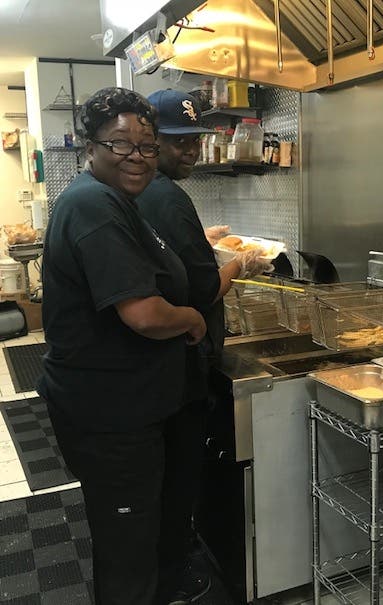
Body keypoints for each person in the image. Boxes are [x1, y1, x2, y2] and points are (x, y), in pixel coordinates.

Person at [36, 87, 208, 605]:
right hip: (110, 415)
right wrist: (191, 317)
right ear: (90, 146)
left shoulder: (111, 200)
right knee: (127, 555)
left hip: (121, 407)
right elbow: (144, 315)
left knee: (131, 542)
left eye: (147, 145)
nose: (136, 156)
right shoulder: (94, 205)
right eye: (120, 143)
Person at [135, 88, 272, 602]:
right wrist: (239, 264)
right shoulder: (167, 196)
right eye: (178, 141)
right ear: (152, 142)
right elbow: (202, 289)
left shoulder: (145, 191)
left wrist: (204, 241)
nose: (190, 149)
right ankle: (175, 573)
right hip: (179, 361)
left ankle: (167, 562)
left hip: (157, 368)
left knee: (168, 475)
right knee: (178, 477)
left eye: (194, 138)